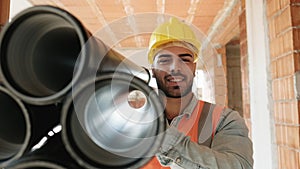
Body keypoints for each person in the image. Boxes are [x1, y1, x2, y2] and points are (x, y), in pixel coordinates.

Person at [142, 17, 253, 169]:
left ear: (194, 68)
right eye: (165, 60)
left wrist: (164, 138)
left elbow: (239, 166)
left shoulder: (224, 120)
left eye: (185, 60)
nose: (175, 68)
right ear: (153, 70)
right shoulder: (130, 121)